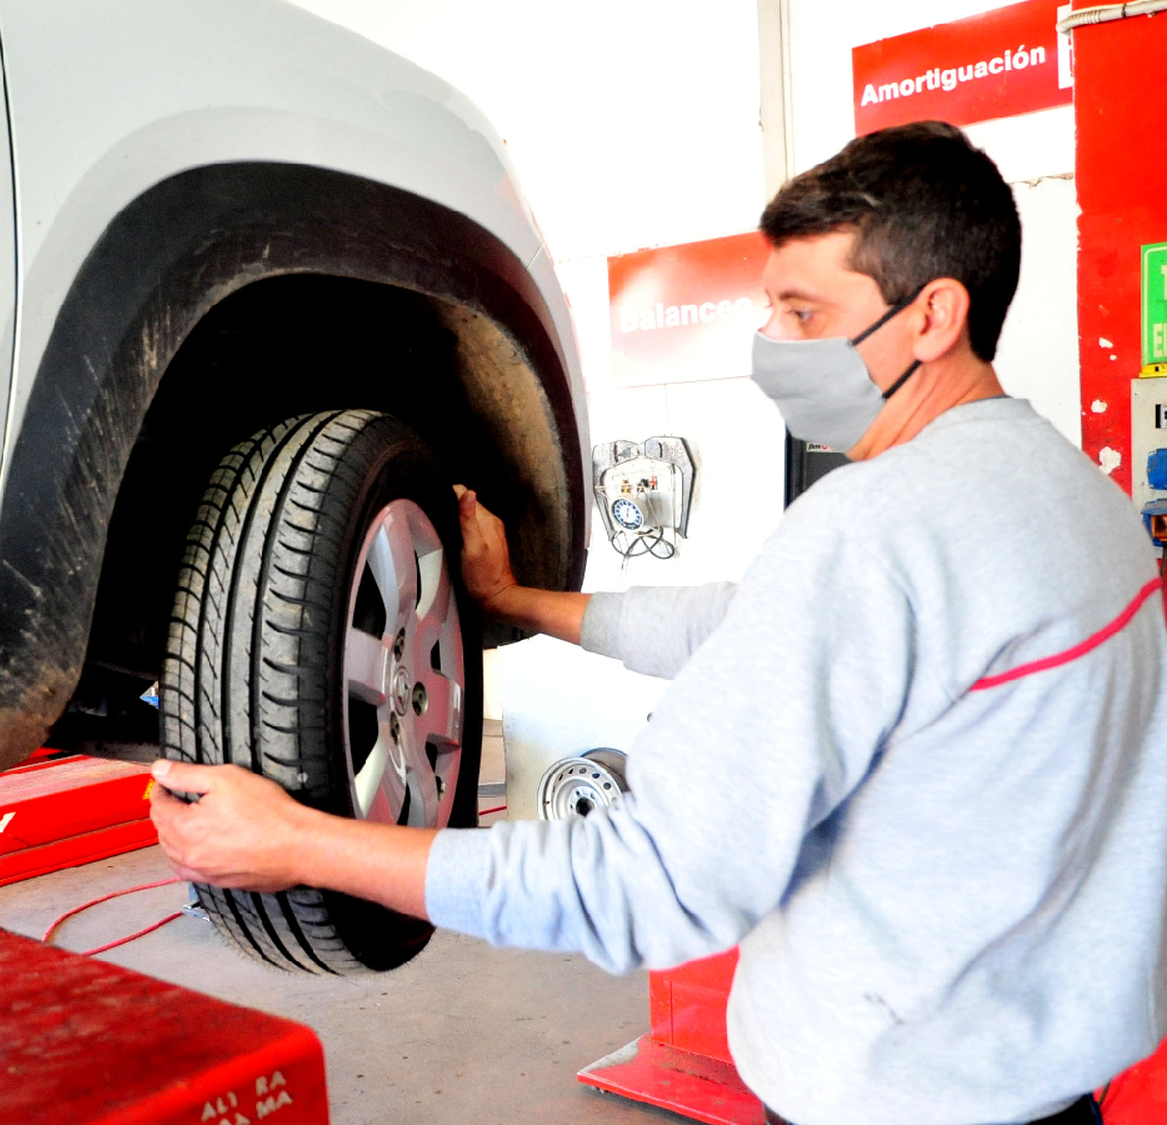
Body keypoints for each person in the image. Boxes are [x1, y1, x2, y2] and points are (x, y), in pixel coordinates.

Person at [146, 122, 1167, 1125]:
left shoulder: (873, 532)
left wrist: (301, 846)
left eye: (804, 315)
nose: (773, 346)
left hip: (891, 1099)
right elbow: (754, 627)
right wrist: (518, 605)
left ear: (934, 314)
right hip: (1046, 1086)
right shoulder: (1072, 498)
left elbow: (651, 883)